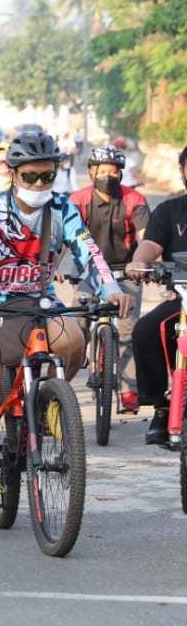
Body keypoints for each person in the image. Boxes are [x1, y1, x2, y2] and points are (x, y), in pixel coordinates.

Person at [0, 132, 132, 511]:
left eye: (46, 176)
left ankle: (52, 401)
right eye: (30, 177)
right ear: (14, 174)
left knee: (75, 340)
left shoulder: (63, 209)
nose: (38, 184)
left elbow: (89, 251)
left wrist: (110, 288)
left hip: (40, 299)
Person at [68, 144, 148, 415]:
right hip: (90, 270)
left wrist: (148, 265)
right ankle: (76, 357)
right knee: (77, 316)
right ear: (91, 172)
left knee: (129, 329)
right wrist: (56, 268)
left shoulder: (133, 199)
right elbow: (62, 241)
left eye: (114, 171)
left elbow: (147, 237)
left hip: (128, 270)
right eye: (103, 171)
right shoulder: (78, 199)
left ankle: (129, 391)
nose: (108, 176)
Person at [126, 147, 187, 444]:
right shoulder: (170, 210)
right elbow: (150, 245)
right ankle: (162, 409)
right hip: (183, 300)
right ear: (182, 172)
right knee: (147, 329)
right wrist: (140, 262)